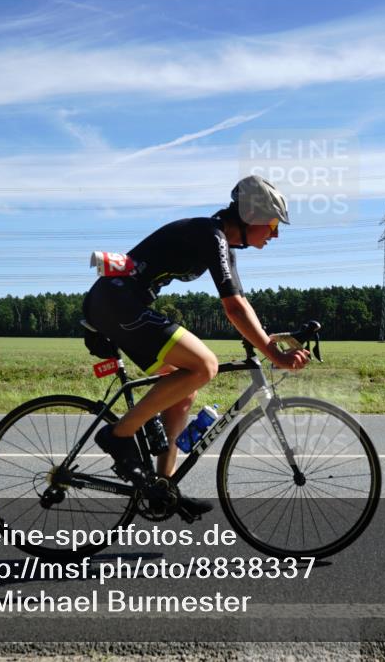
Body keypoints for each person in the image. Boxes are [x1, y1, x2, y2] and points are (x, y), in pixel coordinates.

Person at [82, 175, 311, 518]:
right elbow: (232, 308)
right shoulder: (211, 234)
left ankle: (163, 487)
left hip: (121, 304)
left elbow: (241, 303)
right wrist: (272, 353)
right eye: (274, 223)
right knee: (205, 365)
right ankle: (118, 436)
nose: (276, 233)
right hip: (117, 303)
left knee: (183, 391)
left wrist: (267, 339)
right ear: (251, 216)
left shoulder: (222, 243)